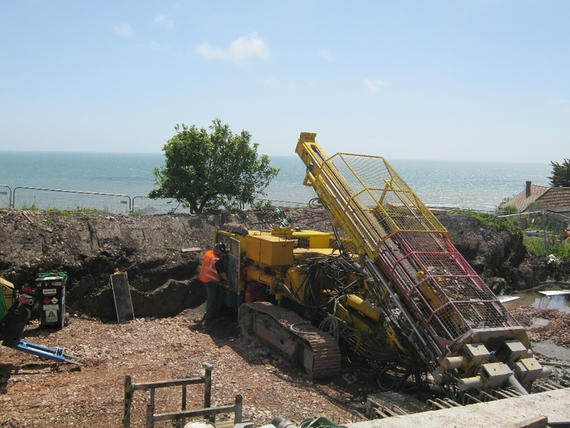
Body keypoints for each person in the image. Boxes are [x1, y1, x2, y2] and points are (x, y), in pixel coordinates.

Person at [199, 242, 228, 324]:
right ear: (218, 251)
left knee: (213, 297)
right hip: (211, 281)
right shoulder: (216, 260)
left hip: (204, 278)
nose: (221, 254)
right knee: (212, 299)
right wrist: (228, 281)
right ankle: (209, 318)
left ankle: (211, 315)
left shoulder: (209, 253)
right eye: (221, 252)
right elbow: (222, 273)